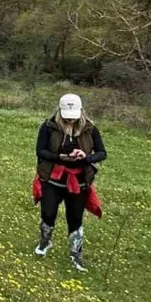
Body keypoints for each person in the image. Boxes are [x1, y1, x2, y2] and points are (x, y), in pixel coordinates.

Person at [32, 94, 106, 272]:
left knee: (75, 218)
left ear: (80, 112)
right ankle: (45, 241)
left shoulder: (90, 129)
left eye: (73, 115)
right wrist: (59, 157)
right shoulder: (49, 126)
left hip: (78, 181)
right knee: (48, 213)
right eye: (67, 116)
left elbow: (102, 153)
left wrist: (86, 157)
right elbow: (40, 151)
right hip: (53, 178)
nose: (70, 119)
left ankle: (76, 254)